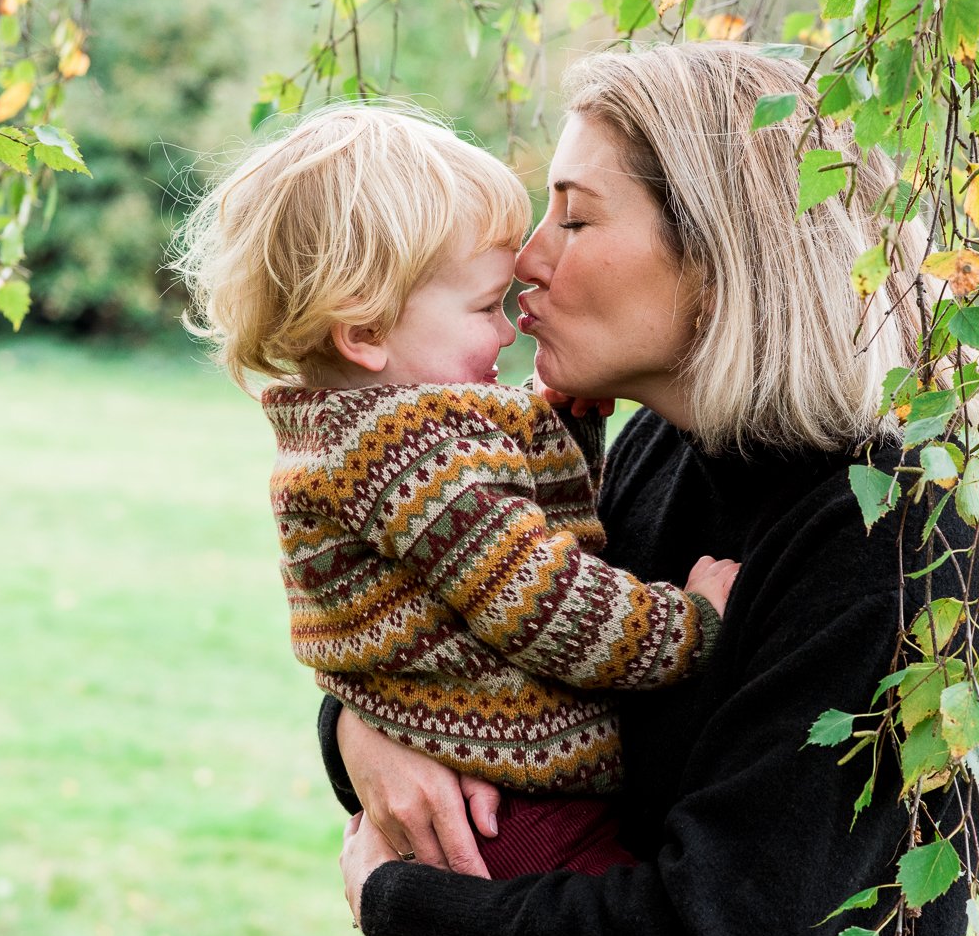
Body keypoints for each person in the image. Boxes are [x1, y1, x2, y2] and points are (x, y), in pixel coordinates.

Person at [326, 42, 979, 936]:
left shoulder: (910, 540)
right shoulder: (666, 445)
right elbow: (489, 650)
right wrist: (355, 730)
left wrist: (401, 905)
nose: (527, 260)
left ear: (723, 251)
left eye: (574, 217)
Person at [172, 103, 742, 880]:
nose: (510, 331)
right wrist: (694, 623)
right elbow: (548, 602)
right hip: (516, 804)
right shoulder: (404, 457)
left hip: (500, 780)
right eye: (485, 308)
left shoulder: (365, 438)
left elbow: (527, 527)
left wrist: (569, 433)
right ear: (365, 333)